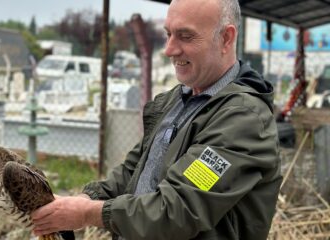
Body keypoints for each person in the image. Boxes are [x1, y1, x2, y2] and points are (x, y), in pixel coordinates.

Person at [31, 0, 282, 239]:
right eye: (168, 34)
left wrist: (88, 214)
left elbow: (177, 211)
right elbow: (134, 170)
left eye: (185, 36)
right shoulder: (177, 100)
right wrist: (87, 198)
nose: (169, 49)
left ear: (225, 38)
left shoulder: (242, 120)